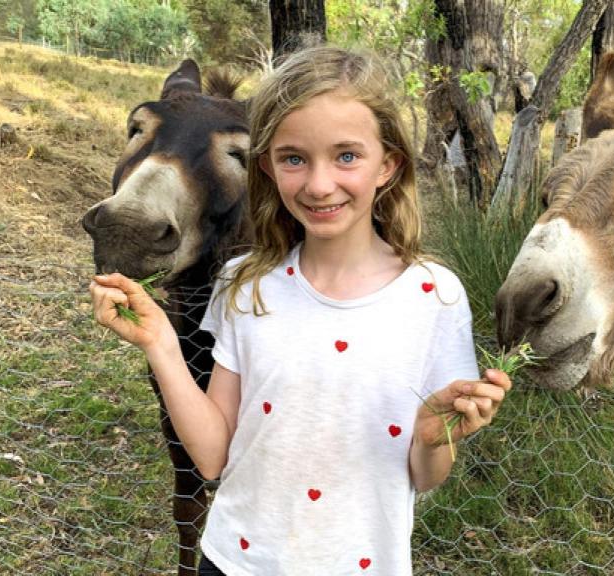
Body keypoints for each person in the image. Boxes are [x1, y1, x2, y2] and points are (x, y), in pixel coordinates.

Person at [89, 45, 512, 576]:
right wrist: (160, 343)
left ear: (389, 164)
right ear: (268, 168)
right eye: (294, 158)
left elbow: (426, 476)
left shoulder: (436, 295)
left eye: (347, 156)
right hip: (233, 561)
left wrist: (433, 435)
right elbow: (214, 455)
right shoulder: (245, 286)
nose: (318, 184)